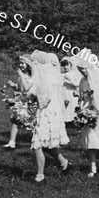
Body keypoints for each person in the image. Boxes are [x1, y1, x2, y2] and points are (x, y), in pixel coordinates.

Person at [30, 51, 71, 182]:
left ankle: (40, 175)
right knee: (48, 144)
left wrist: (31, 99)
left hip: (47, 111)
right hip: (51, 111)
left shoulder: (45, 78)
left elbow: (44, 98)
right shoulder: (50, 75)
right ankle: (64, 162)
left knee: (37, 144)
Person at [3, 54, 34, 149]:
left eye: (23, 63)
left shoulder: (31, 77)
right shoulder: (22, 76)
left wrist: (21, 76)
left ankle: (37, 142)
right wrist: (13, 85)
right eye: (20, 63)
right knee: (15, 121)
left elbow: (27, 88)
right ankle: (12, 142)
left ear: (29, 65)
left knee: (33, 123)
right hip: (22, 101)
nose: (21, 65)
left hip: (30, 102)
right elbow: (20, 88)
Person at [60, 56, 82, 127]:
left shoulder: (75, 73)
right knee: (65, 106)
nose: (65, 67)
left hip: (71, 92)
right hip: (64, 92)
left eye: (67, 65)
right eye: (64, 65)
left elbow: (78, 84)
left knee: (73, 106)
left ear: (71, 65)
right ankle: (65, 122)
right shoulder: (61, 74)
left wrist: (69, 79)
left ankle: (74, 122)